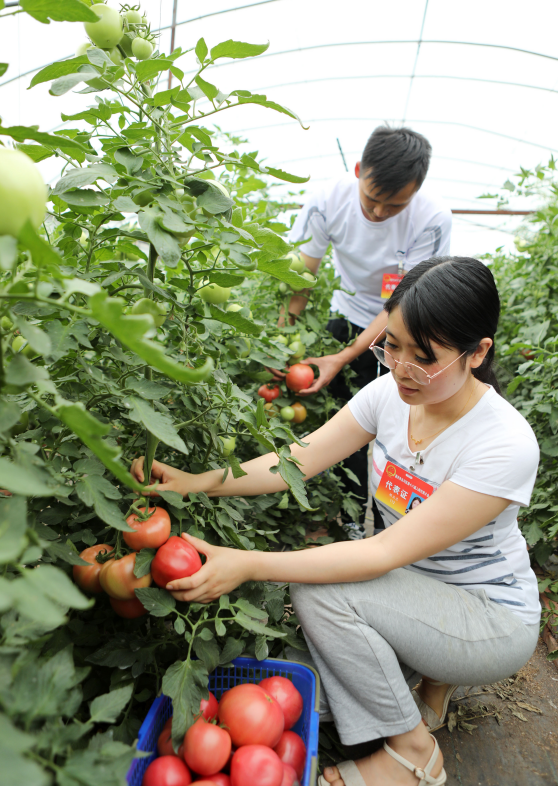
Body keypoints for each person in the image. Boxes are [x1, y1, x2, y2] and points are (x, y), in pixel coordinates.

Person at [131, 257, 540, 786]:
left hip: (488, 617)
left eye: (424, 356)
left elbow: (380, 555)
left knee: (320, 592)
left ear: (477, 352)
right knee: (307, 679)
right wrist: (196, 479)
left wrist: (252, 564)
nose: (400, 367)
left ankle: (413, 753)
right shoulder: (390, 395)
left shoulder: (503, 443)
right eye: (391, 344)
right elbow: (296, 459)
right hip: (411, 593)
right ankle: (428, 686)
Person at [275, 126, 453, 530]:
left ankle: (377, 520)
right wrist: (281, 338)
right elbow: (301, 278)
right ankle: (340, 513)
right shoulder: (326, 201)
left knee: (391, 426)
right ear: (358, 170)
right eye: (371, 200)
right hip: (347, 309)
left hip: (404, 325)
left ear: (416, 192)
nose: (377, 213)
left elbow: (404, 301)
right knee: (340, 420)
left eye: (394, 206)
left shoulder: (432, 219)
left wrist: (346, 356)